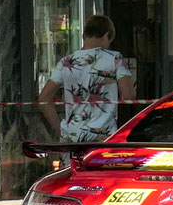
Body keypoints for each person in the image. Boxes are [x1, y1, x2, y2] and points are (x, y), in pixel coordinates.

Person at [38, 14, 134, 142]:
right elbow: (129, 95)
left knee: (71, 163)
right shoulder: (114, 58)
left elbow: (44, 98)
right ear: (106, 36)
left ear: (84, 36)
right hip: (103, 137)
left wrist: (61, 130)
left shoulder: (66, 62)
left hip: (72, 137)